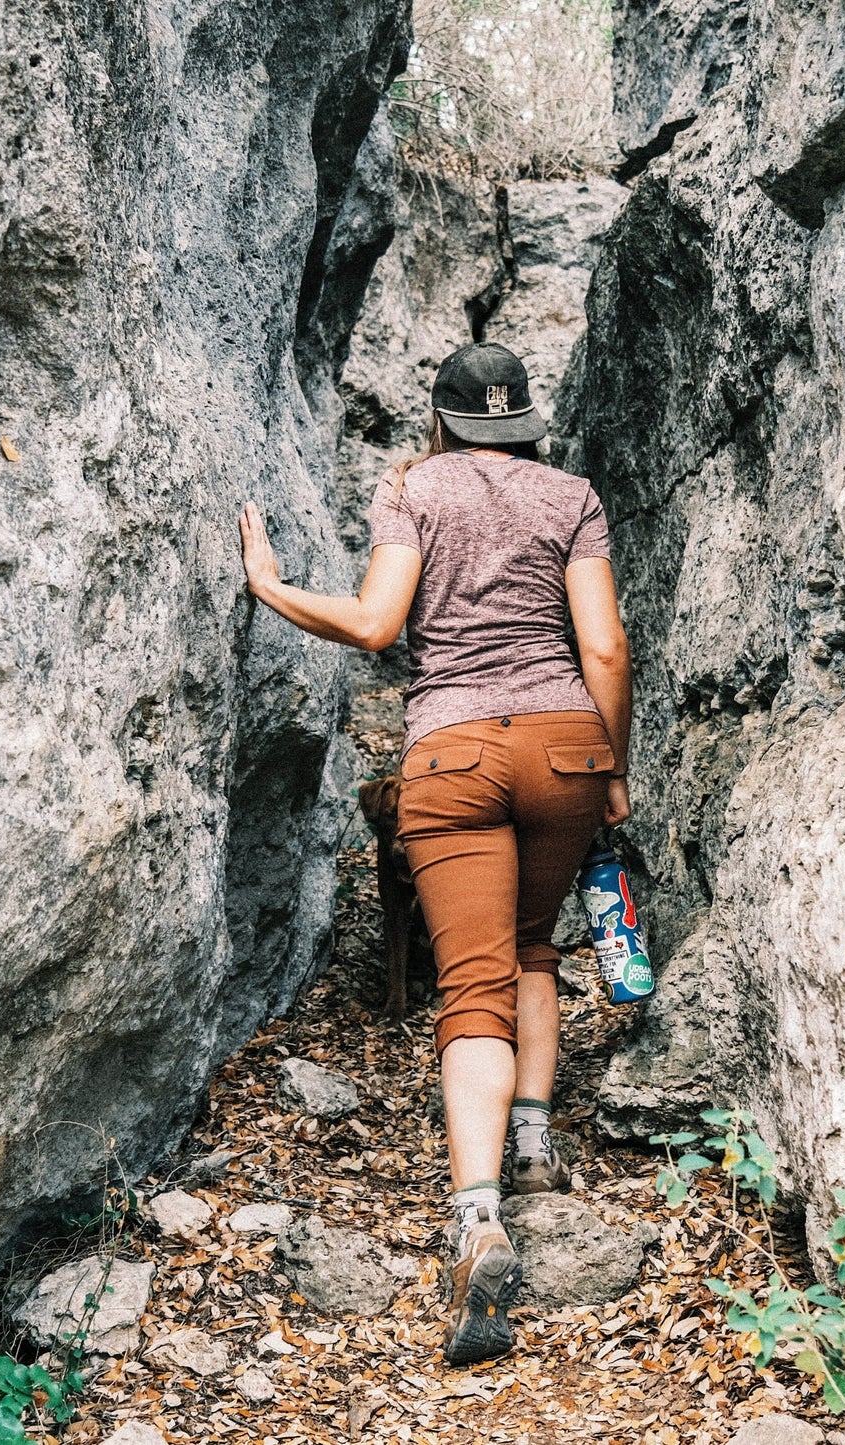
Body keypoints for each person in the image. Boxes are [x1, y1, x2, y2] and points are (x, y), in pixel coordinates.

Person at [238, 341, 632, 1366]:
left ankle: (476, 1213)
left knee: (471, 986)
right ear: (522, 418)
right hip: (563, 746)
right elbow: (604, 648)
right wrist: (612, 765)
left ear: (444, 416)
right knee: (535, 948)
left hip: (452, 753)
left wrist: (273, 586)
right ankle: (537, 1148)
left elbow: (374, 624)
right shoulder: (571, 494)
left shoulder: (412, 485)